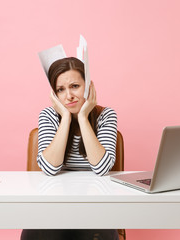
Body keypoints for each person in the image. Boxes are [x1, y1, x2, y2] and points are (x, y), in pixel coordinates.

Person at [21, 57, 118, 240]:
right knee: (36, 232)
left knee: (99, 233)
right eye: (60, 90)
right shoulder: (49, 115)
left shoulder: (106, 115)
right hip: (55, 205)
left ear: (88, 86)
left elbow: (102, 168)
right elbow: (50, 169)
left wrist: (83, 117)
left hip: (94, 205)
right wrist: (65, 117)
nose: (68, 96)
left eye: (75, 86)